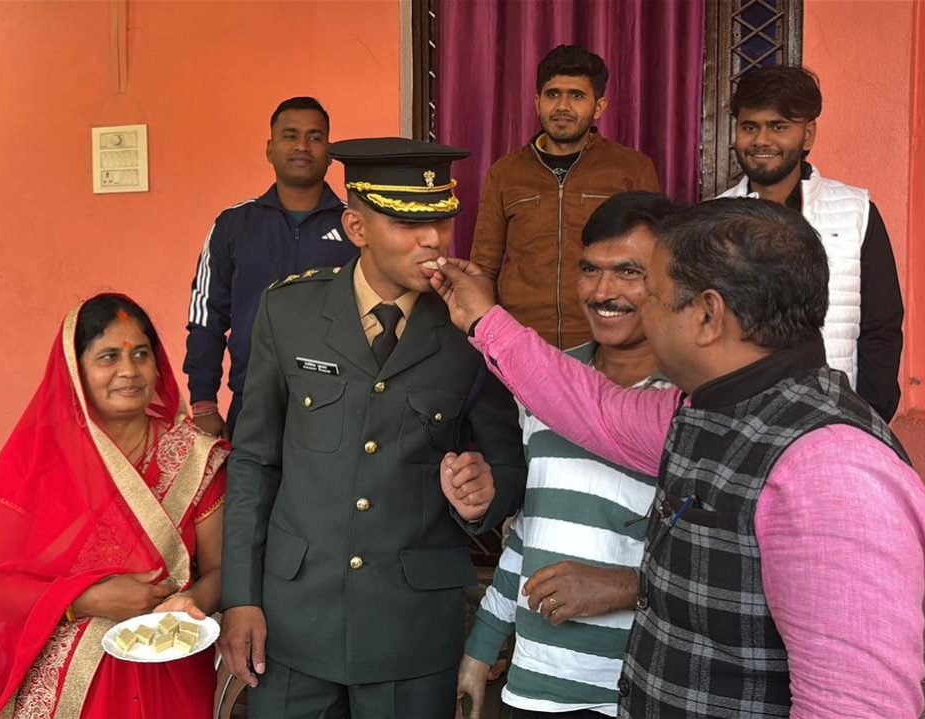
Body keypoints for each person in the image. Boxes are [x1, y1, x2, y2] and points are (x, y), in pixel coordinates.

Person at [431, 199, 925, 717]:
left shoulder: (833, 471)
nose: (628, 305)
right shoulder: (707, 410)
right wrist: (484, 319)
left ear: (706, 314)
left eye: (650, 293)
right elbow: (591, 406)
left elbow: (853, 707)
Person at [219, 138, 527, 718]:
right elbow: (255, 463)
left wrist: (485, 497)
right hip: (295, 621)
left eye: (439, 220)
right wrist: (241, 598)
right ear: (356, 226)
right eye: (408, 223)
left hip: (411, 631)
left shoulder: (474, 325)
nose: (432, 239)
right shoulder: (290, 313)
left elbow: (508, 461)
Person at [457, 193, 675, 719]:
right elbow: (531, 530)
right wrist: (481, 647)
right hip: (534, 688)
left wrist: (626, 587)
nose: (603, 291)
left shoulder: (693, 401)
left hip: (639, 690)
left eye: (629, 271)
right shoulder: (546, 381)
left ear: (676, 281)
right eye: (589, 270)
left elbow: (730, 570)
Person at [0, 293, 228, 718]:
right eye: (108, 356)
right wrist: (83, 600)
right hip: (69, 684)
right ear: (76, 370)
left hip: (170, 661)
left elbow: (221, 569)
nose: (129, 370)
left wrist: (191, 603)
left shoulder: (196, 456)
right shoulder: (37, 464)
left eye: (141, 354)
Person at [719, 65, 904, 421]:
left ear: (807, 135)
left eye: (779, 127)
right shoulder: (713, 218)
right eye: (749, 127)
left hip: (835, 416)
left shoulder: (855, 210)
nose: (761, 141)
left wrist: (870, 414)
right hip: (739, 419)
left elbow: (881, 325)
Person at [185, 96, 357, 438]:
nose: (302, 146)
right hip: (251, 402)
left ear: (330, 151)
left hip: (337, 404)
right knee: (248, 492)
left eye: (315, 137)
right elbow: (207, 318)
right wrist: (203, 403)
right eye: (290, 135)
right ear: (269, 148)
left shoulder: (356, 226)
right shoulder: (233, 225)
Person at [470, 44, 661, 350]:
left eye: (576, 96)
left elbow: (655, 262)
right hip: (522, 342)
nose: (562, 106)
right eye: (553, 94)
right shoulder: (505, 174)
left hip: (606, 342)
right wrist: (489, 337)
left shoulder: (632, 169)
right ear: (537, 102)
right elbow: (483, 266)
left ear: (599, 107)